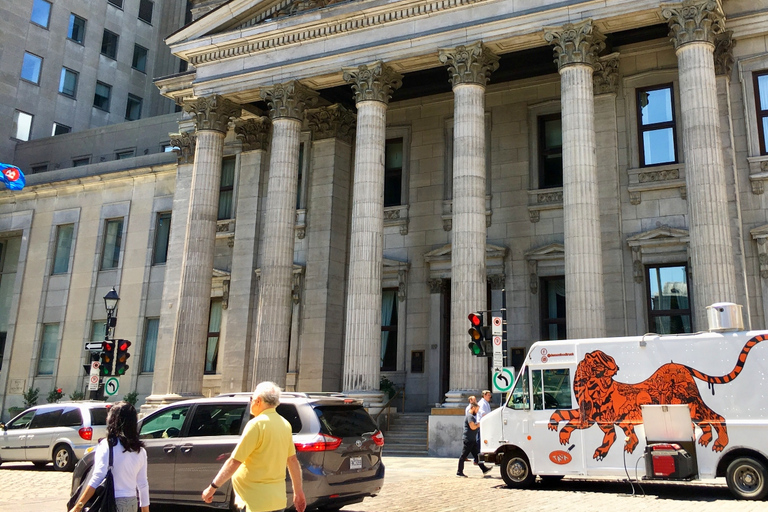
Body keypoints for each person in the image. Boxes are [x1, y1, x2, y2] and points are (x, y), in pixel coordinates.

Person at [202, 381, 306, 512]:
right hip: (276, 500)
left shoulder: (256, 425)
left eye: (251, 399)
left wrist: (212, 487)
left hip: (254, 501)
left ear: (258, 401)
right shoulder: (285, 424)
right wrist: (298, 491)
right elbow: (292, 461)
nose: (250, 402)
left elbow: (234, 461)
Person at [68, 401, 149, 512]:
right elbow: (143, 484)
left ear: (113, 421)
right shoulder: (140, 451)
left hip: (111, 502)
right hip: (132, 503)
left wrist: (78, 507)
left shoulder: (107, 446)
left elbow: (97, 478)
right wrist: (145, 510)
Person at [457, 402, 492, 477]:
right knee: (463, 456)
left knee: (477, 456)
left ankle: (484, 469)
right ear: (473, 408)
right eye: (476, 409)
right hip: (468, 439)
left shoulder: (471, 416)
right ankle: (459, 472)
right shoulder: (470, 416)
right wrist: (479, 425)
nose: (477, 411)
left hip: (472, 439)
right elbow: (472, 426)